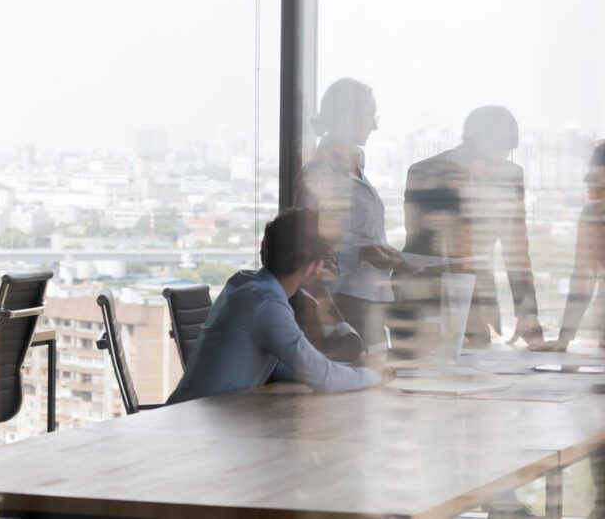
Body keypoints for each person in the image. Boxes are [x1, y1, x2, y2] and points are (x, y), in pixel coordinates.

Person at [167, 208, 384, 405]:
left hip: (194, 415)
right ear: (312, 266)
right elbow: (323, 378)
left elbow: (286, 368)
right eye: (325, 260)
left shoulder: (243, 283)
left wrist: (352, 371)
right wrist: (375, 375)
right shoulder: (267, 305)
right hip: (193, 428)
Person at [403, 106, 543, 347]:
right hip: (426, 297)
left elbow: (516, 248)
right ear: (471, 143)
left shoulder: (510, 175)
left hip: (476, 298)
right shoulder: (424, 172)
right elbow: (418, 245)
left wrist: (526, 312)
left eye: (506, 153)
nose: (501, 160)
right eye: (495, 152)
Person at [294, 78, 411, 346]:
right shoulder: (319, 175)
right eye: (370, 115)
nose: (375, 124)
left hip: (369, 303)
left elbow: (353, 235)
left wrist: (387, 255)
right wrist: (361, 253)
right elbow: (307, 247)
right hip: (341, 305)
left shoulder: (353, 168)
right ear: (348, 116)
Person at [535, 140, 605, 352]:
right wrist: (564, 339)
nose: (586, 181)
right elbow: (583, 277)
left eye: (596, 175)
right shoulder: (591, 214)